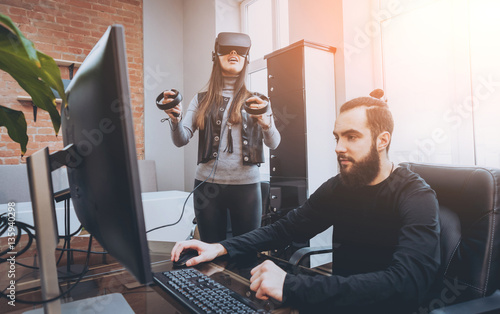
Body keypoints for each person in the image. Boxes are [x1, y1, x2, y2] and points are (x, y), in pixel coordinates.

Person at [170, 93, 441, 313]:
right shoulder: (342, 186)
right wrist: (220, 247)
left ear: (383, 141)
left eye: (352, 137)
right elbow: (286, 229)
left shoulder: (416, 195)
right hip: (342, 304)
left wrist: (291, 287)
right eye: (337, 137)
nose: (338, 147)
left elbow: (408, 282)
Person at [162, 32, 281, 243]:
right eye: (227, 50)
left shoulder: (258, 101)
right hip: (207, 188)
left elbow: (274, 143)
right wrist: (175, 119)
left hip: (247, 188)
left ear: (246, 59)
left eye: (240, 51)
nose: (233, 53)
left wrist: (266, 124)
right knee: (209, 252)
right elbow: (181, 139)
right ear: (215, 56)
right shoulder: (201, 100)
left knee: (245, 253)